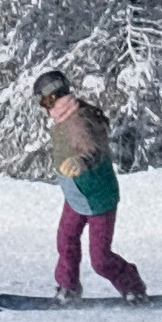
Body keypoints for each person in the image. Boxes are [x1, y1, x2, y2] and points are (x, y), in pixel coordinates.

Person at [34, 70, 148, 301]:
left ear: (56, 98)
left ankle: (133, 287)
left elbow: (93, 149)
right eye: (42, 103)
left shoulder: (77, 121)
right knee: (66, 239)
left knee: (100, 258)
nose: (45, 107)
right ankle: (68, 287)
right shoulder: (64, 119)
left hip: (98, 198)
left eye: (46, 101)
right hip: (77, 196)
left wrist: (81, 161)